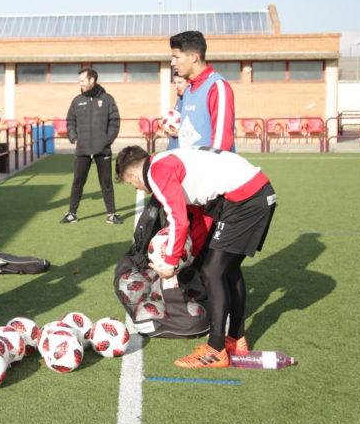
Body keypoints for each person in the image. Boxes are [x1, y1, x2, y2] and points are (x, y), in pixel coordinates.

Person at [115, 145, 277, 368]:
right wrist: (192, 253)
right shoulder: (165, 160)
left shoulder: (157, 172)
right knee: (226, 270)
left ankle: (215, 350)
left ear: (132, 174)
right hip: (253, 193)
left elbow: (178, 221)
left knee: (213, 271)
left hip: (246, 198)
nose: (137, 188)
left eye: (131, 183)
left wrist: (170, 263)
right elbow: (201, 215)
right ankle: (235, 339)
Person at [62, 67, 122, 225]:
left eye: (82, 80)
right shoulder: (77, 100)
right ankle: (72, 214)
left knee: (106, 182)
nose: (80, 83)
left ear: (92, 80)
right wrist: (74, 138)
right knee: (78, 182)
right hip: (82, 149)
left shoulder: (107, 99)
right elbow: (70, 121)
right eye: (79, 81)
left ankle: (111, 214)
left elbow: (115, 121)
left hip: (103, 150)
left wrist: (106, 140)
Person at [168, 31, 235, 151]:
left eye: (177, 57)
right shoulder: (188, 90)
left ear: (193, 57)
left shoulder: (217, 87)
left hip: (210, 169)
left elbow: (221, 145)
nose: (173, 63)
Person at [165, 73, 189, 150]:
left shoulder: (193, 101)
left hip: (184, 150)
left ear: (189, 82)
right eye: (175, 83)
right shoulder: (179, 99)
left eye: (180, 82)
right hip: (172, 147)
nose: (176, 86)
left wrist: (180, 134)